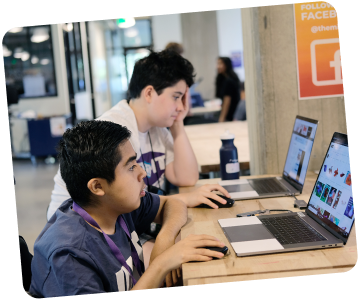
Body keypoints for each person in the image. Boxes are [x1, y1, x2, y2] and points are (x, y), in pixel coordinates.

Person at [47, 50, 229, 271]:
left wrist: (178, 124)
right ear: (150, 93)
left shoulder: (158, 126)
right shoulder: (119, 134)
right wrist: (163, 240)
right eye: (176, 96)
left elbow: (186, 176)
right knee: (189, 262)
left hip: (130, 225)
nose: (182, 106)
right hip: (91, 237)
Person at [29, 121, 227, 296]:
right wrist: (162, 264)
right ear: (97, 186)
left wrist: (164, 241)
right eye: (131, 167)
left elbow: (172, 203)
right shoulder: (69, 256)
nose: (142, 173)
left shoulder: (116, 205)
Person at [215, 57, 241, 122]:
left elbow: (227, 102)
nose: (218, 66)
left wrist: (221, 119)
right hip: (230, 113)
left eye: (220, 64)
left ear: (227, 65)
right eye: (217, 64)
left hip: (231, 114)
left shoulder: (229, 80)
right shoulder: (222, 79)